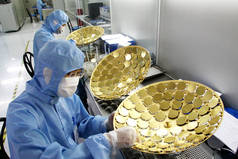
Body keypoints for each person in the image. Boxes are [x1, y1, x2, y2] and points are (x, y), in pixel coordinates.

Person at [6, 40, 137, 159]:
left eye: (77, 74)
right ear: (47, 74)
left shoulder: (66, 97)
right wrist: (108, 140)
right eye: (70, 75)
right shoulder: (20, 113)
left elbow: (82, 122)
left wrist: (106, 124)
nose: (74, 81)